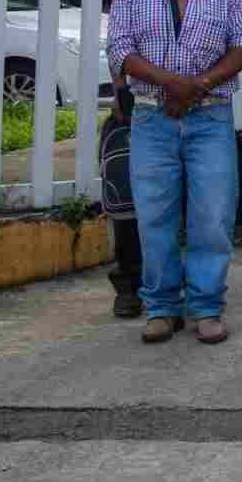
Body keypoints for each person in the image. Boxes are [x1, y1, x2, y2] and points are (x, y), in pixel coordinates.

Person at [105, 0, 242, 346]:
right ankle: (162, 307)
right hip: (153, 117)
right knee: (156, 216)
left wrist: (197, 85)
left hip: (209, 118)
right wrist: (170, 83)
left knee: (212, 215)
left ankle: (206, 306)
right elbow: (120, 49)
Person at [99, 88, 144, 319]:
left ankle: (188, 284)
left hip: (190, 103)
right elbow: (117, 51)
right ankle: (129, 286)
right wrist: (121, 92)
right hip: (136, 99)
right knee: (125, 195)